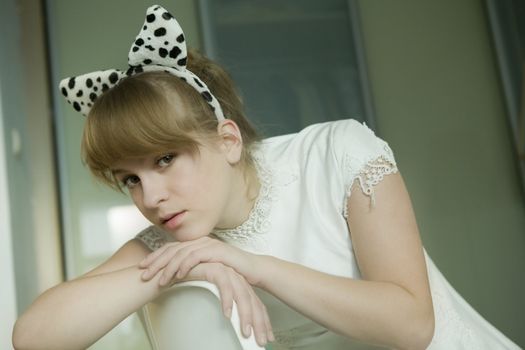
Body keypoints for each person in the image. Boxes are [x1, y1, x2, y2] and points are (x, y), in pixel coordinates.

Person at [12, 5, 521, 350]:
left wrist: (250, 264)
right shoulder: (170, 243)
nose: (151, 196)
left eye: (165, 160)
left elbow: (412, 323)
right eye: (130, 179)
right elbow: (32, 335)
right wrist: (186, 269)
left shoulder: (337, 153)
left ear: (228, 140)